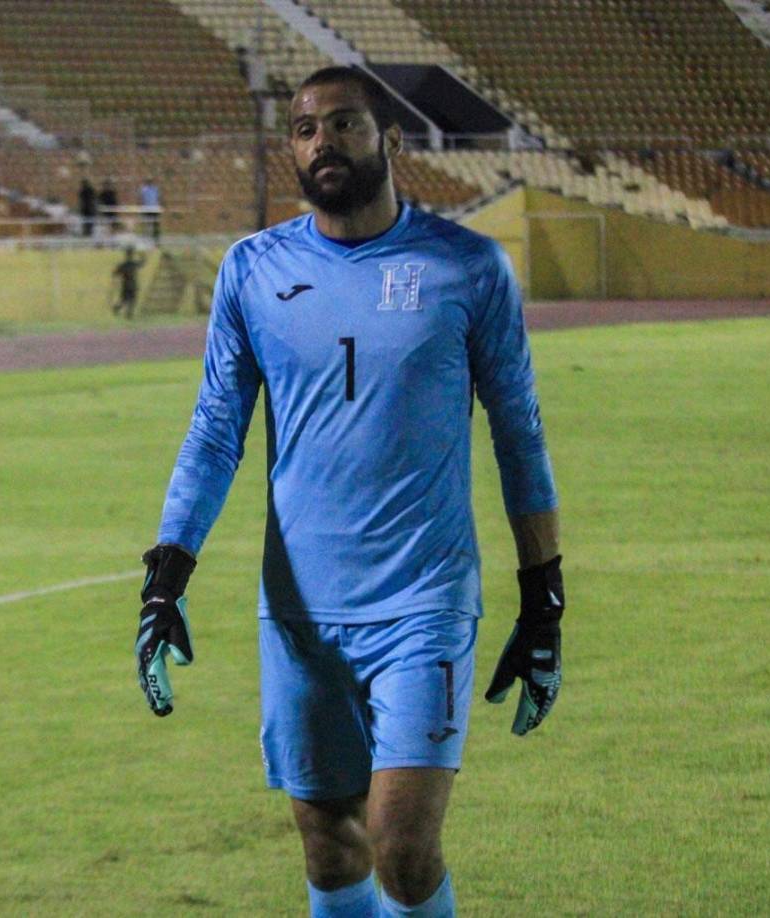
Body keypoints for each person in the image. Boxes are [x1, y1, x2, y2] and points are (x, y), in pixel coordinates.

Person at [133, 66, 564, 918]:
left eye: (344, 124)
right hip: (298, 611)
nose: (321, 142)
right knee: (331, 848)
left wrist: (542, 592)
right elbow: (217, 429)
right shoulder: (253, 270)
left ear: (390, 140)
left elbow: (518, 433)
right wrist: (165, 572)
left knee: (401, 848)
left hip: (423, 601)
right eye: (303, 129)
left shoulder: (467, 268)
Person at [111, 246, 146, 319]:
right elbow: (143, 263)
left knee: (125, 300)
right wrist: (142, 254)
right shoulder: (133, 264)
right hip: (132, 284)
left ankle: (118, 309)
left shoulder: (123, 264)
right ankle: (128, 313)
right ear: (132, 255)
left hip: (126, 285)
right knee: (132, 300)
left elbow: (115, 273)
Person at [139, 177, 162, 243]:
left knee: (156, 225)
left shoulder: (155, 189)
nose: (149, 183)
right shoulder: (143, 189)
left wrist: (160, 206)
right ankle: (146, 239)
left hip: (155, 209)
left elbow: (158, 198)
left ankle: (156, 240)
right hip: (146, 209)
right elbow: (141, 199)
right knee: (146, 224)